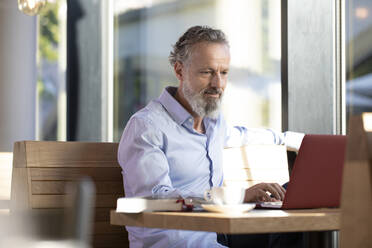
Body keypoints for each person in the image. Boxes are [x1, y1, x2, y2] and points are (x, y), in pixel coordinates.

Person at [118, 25, 304, 248]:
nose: (218, 84)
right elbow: (156, 198)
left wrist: (296, 140)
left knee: (295, 201)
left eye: (223, 73)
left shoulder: (213, 123)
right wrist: (236, 196)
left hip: (220, 234)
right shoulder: (146, 127)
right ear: (179, 71)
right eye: (206, 72)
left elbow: (242, 136)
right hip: (178, 241)